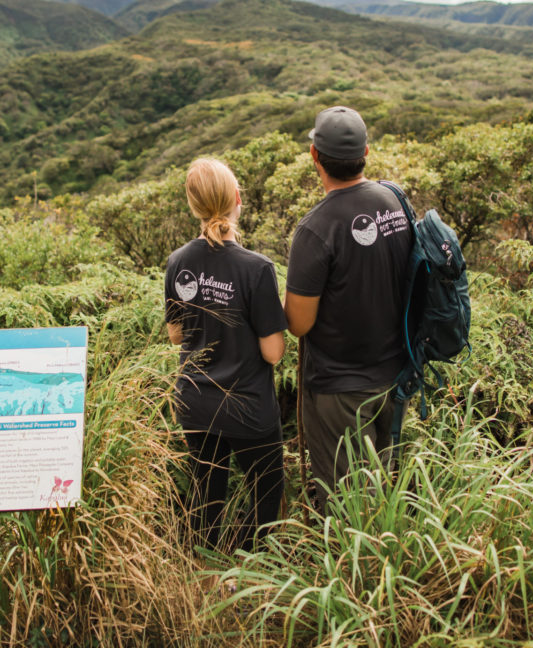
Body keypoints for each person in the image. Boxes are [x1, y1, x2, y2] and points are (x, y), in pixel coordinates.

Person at [284, 106, 413, 511]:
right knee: (381, 490)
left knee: (347, 507)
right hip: (395, 378)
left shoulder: (315, 230)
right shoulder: (395, 202)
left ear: (314, 156)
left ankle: (353, 573)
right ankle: (388, 566)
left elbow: (299, 325)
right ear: (366, 153)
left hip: (340, 390)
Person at [164, 157, 288, 553]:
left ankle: (199, 569)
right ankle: (246, 565)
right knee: (266, 494)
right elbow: (273, 353)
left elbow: (175, 334)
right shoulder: (258, 269)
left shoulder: (178, 262)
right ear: (237, 199)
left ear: (194, 205)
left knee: (206, 493)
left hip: (195, 403)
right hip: (248, 407)